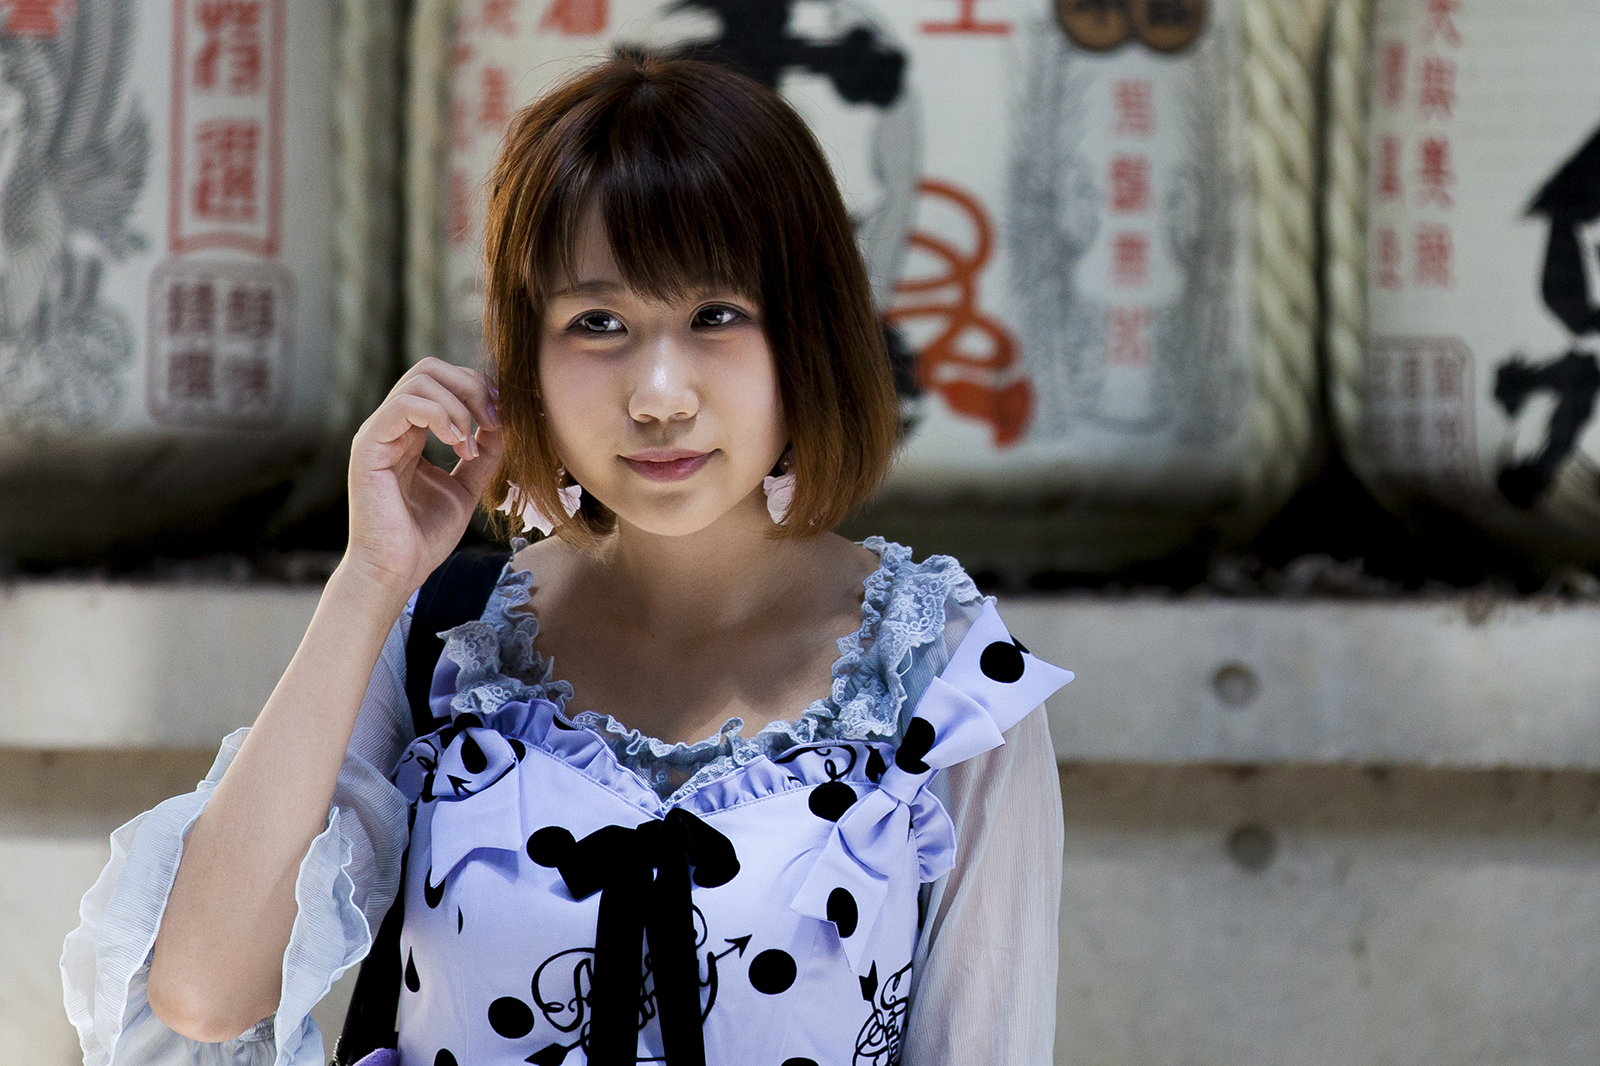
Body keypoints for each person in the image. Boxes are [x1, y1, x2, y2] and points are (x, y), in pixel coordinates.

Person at [61, 53, 1072, 1066]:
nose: (660, 394)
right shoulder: (447, 641)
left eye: (715, 315)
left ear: (805, 335)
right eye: (598, 322)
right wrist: (372, 577)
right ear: (524, 354)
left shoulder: (943, 680)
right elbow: (202, 995)